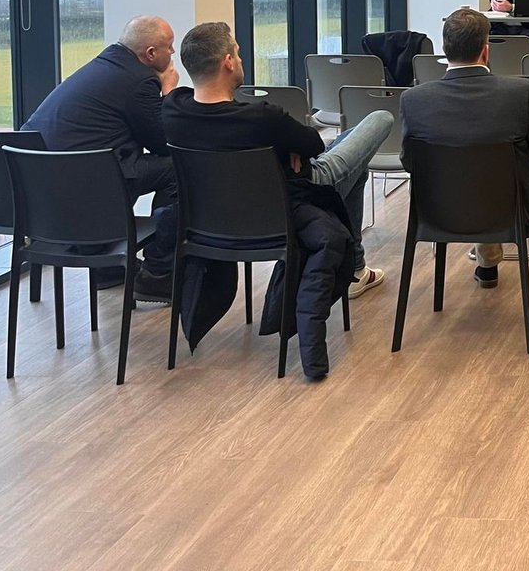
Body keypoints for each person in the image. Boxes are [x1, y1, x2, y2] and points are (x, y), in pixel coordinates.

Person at [160, 22, 395, 380]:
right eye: (238, 53)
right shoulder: (263, 118)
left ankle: (359, 270)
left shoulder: (173, 111)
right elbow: (313, 145)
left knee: (355, 166)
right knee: (379, 118)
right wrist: (288, 147)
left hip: (213, 223)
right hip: (287, 204)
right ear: (227, 62)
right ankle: (357, 271)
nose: (240, 59)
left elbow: (181, 102)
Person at [26, 15, 180, 300]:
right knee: (180, 168)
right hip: (89, 189)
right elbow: (164, 143)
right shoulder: (140, 80)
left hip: (45, 190)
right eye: (169, 46)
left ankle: (107, 268)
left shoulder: (103, 65)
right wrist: (169, 91)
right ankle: (158, 271)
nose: (172, 52)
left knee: (125, 162)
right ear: (150, 53)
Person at [399, 8, 529, 288]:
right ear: (485, 51)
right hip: (507, 211)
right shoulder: (519, 92)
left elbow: (410, 162)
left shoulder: (414, 100)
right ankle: (488, 260)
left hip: (436, 212)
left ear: (444, 48)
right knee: (501, 171)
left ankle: (487, 262)